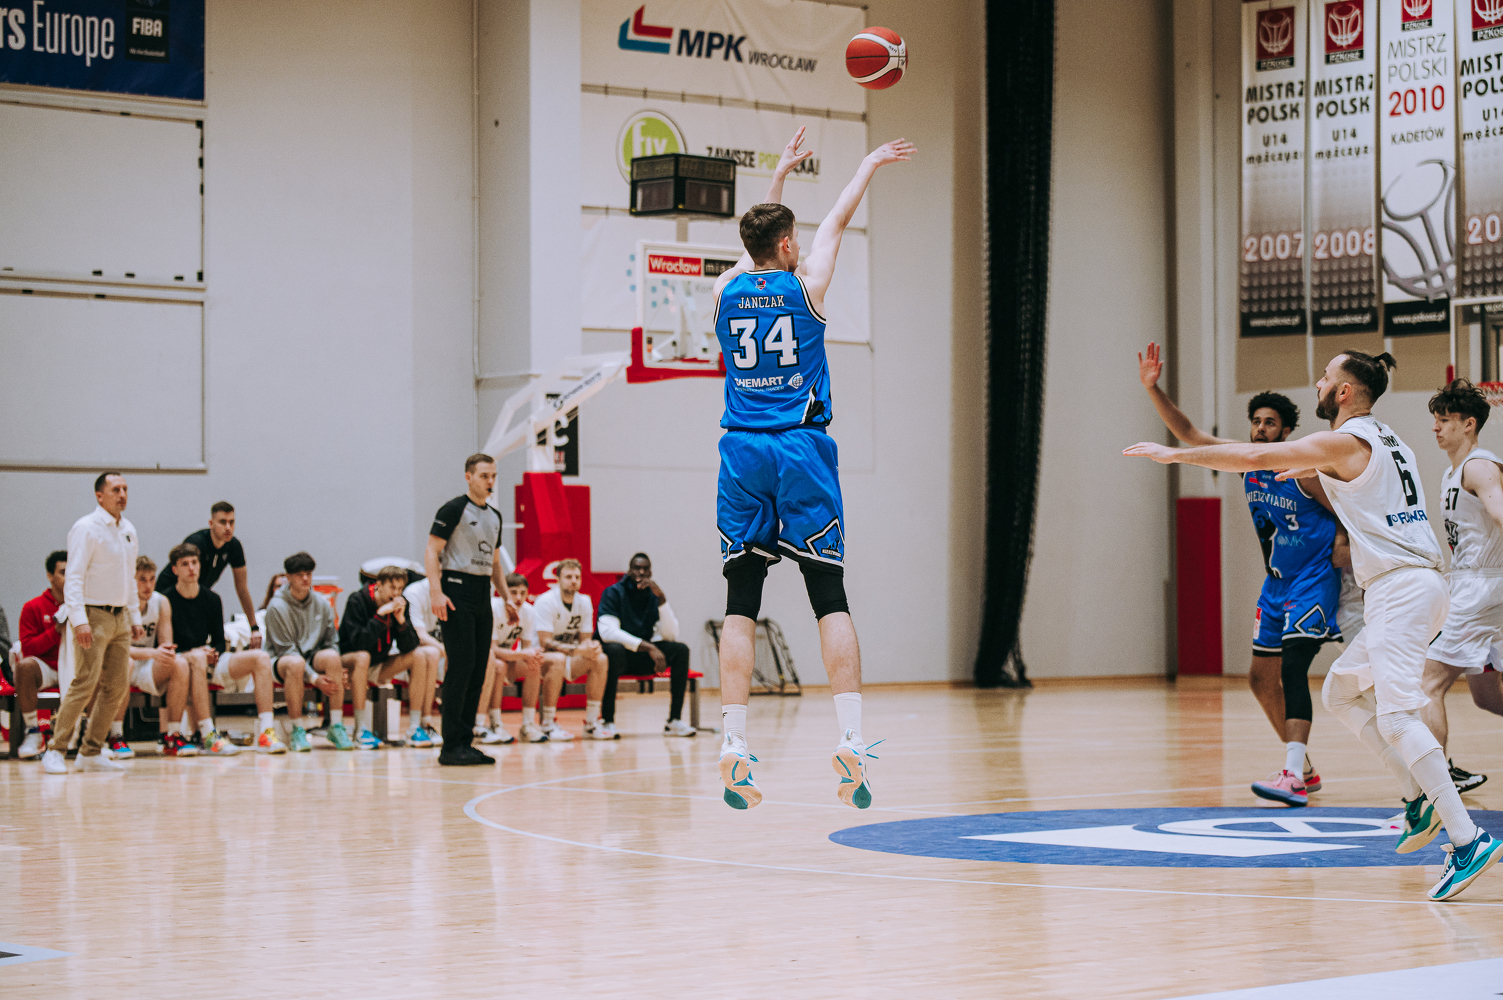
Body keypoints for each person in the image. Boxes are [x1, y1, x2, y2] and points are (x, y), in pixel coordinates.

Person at [1126, 350, 1503, 901]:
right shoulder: (1386, 438)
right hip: (1414, 585)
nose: (1319, 383)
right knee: (1340, 692)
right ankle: (1418, 800)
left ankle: (1467, 840)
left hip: (1402, 587)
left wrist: (1175, 455)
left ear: (1344, 391)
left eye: (1326, 377)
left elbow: (1253, 454)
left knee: (1398, 716)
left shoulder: (1345, 440)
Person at [709, 128, 912, 809]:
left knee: (740, 600)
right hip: (800, 448)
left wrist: (775, 182)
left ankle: (733, 742)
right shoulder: (808, 286)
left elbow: (753, 250)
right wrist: (867, 163)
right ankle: (850, 738)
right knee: (828, 592)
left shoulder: (725, 290)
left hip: (741, 451)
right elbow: (838, 220)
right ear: (788, 245)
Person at [1138, 341, 1340, 804]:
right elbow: (1189, 433)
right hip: (1276, 584)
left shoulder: (1304, 468)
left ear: (1286, 430)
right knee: (1259, 679)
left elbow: (1345, 512)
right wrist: (1153, 389)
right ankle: (1305, 769)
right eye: (1256, 422)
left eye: (1270, 423)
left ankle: (1292, 774)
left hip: (1314, 579)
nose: (1260, 429)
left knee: (1294, 668)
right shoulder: (1246, 461)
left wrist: (1346, 547)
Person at [1419, 380, 1503, 792]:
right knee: (1486, 696)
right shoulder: (1453, 472)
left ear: (1469, 424)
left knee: (1427, 684)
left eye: (1445, 420)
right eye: (1435, 419)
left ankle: (1435, 791)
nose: (1436, 427)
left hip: (1482, 590)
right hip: (1473, 587)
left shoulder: (1479, 466)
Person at [40, 473, 143, 775]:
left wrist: (135, 616)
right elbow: (73, 576)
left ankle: (91, 750)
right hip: (92, 615)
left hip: (120, 616)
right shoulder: (86, 528)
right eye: (115, 489)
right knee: (85, 682)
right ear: (100, 495)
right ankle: (56, 749)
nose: (122, 494)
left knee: (117, 686)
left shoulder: (129, 530)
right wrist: (79, 620)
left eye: (125, 489)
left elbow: (130, 577)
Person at [425, 454, 510, 765]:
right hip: (456, 589)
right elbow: (432, 551)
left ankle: (465, 741)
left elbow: (496, 563)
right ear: (468, 476)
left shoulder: (495, 516)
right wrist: (436, 591)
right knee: (460, 668)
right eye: (484, 475)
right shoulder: (453, 509)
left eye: (493, 476)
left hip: (482, 593)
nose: (490, 481)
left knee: (478, 669)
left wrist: (507, 598)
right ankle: (450, 746)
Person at [164, 542, 279, 754]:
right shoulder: (166, 600)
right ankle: (208, 734)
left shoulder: (212, 598)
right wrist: (197, 653)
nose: (191, 568)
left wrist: (214, 652)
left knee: (260, 658)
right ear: (175, 569)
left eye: (195, 562)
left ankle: (266, 733)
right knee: (198, 657)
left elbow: (218, 639)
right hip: (180, 660)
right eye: (185, 564)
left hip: (207, 658)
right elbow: (166, 643)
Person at [342, 565, 442, 749]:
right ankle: (359, 729)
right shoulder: (357, 600)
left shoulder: (401, 604)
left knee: (419, 655)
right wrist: (380, 615)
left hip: (378, 664)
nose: (396, 593)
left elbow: (409, 647)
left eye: (400, 589)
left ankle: (414, 727)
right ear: (378, 585)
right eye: (392, 587)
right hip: (350, 663)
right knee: (363, 657)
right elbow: (359, 643)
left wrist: (401, 621)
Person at [598, 553, 694, 737]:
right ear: (629, 570)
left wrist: (662, 600)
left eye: (645, 569)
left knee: (681, 650)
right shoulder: (613, 592)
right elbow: (608, 633)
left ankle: (674, 721)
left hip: (643, 658)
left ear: (650, 572)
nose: (641, 572)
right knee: (614, 650)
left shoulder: (653, 595)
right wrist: (650, 647)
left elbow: (671, 634)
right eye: (637, 568)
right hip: (620, 659)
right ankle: (607, 721)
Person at [265, 552, 352, 752]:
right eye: (299, 575)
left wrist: (338, 670)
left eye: (308, 574)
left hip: (311, 656)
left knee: (332, 658)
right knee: (296, 663)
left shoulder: (322, 603)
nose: (305, 579)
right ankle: (297, 729)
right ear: (288, 578)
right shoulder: (277, 606)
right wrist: (314, 678)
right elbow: (287, 649)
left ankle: (336, 725)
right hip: (281, 659)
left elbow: (332, 642)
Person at [156, 501, 263, 650]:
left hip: (195, 594)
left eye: (231, 522)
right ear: (211, 523)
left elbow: (242, 588)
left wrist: (254, 628)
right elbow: (186, 576)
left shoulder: (234, 546)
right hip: (169, 593)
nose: (228, 527)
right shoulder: (196, 543)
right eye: (223, 522)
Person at [118, 555, 196, 757]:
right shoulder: (120, 603)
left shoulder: (161, 602)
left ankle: (172, 735)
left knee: (179, 663)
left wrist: (165, 653)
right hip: (121, 663)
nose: (148, 585)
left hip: (146, 665)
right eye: (142, 579)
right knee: (125, 662)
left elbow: (166, 646)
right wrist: (153, 653)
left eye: (152, 579)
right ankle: (115, 736)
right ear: (131, 581)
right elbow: (119, 650)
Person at [534, 559, 611, 740]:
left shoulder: (584, 601)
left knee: (600, 659)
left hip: (567, 656)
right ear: (558, 579)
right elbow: (545, 643)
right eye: (568, 577)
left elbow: (585, 640)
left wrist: (592, 648)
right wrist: (579, 650)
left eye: (577, 577)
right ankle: (548, 724)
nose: (574, 581)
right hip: (540, 658)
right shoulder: (546, 601)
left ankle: (591, 724)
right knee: (558, 659)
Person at [14, 550, 69, 760]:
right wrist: (56, 631)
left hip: (73, 665)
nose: (68, 577)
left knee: (100, 667)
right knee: (25, 666)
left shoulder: (83, 607)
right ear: (50, 575)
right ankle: (33, 731)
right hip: (46, 667)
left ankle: (98, 737)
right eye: (63, 572)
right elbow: (28, 648)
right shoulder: (33, 607)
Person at [477, 573, 543, 744]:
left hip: (507, 658)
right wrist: (523, 654)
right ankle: (496, 724)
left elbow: (526, 648)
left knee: (533, 664)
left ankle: (528, 725)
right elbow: (491, 649)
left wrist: (530, 655)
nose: (519, 598)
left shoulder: (528, 611)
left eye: (523, 593)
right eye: (513, 592)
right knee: (499, 665)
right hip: (485, 661)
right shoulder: (493, 608)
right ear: (503, 593)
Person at [401, 572, 446, 737]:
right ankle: (418, 724)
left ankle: (476, 725)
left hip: (436, 654)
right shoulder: (414, 592)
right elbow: (419, 636)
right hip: (406, 652)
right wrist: (448, 652)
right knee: (431, 654)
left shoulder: (452, 591)